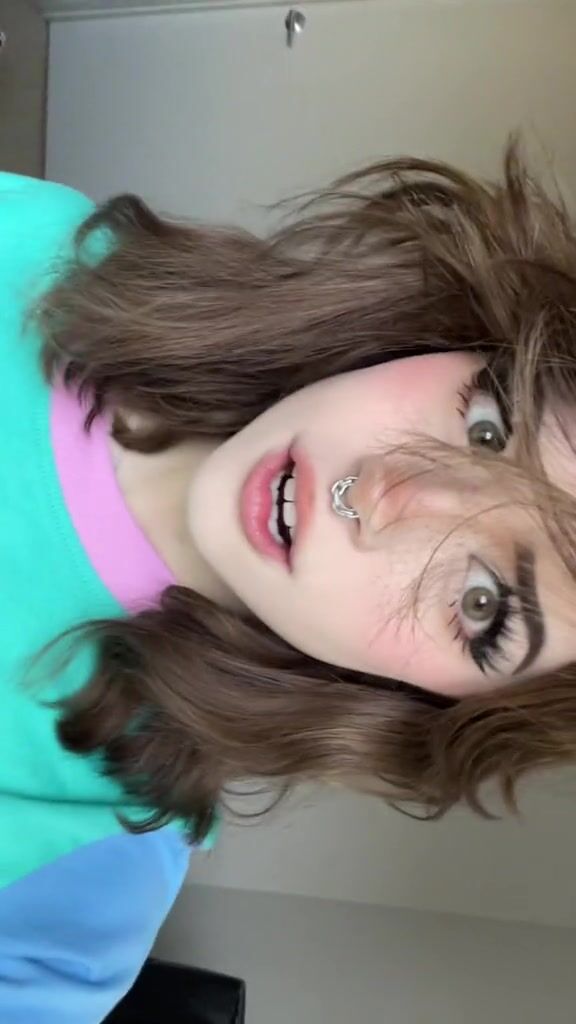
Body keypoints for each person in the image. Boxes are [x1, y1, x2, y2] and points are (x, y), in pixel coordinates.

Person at [2, 141, 576, 1021]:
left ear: (443, 706)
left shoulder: (88, 868)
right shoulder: (47, 248)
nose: (390, 498)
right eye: (490, 427)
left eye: (483, 604)